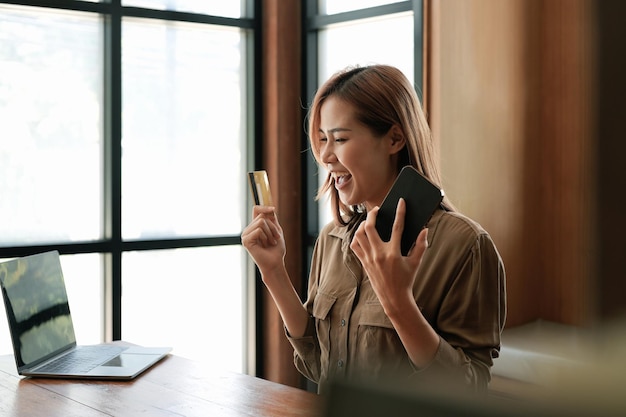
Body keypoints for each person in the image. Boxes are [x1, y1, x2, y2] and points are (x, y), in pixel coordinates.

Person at [241, 64, 506, 395]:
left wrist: (398, 303)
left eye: (339, 139)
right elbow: (316, 363)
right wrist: (273, 271)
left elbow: (469, 391)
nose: (324, 155)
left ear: (395, 138)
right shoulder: (332, 239)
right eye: (322, 139)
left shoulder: (464, 246)